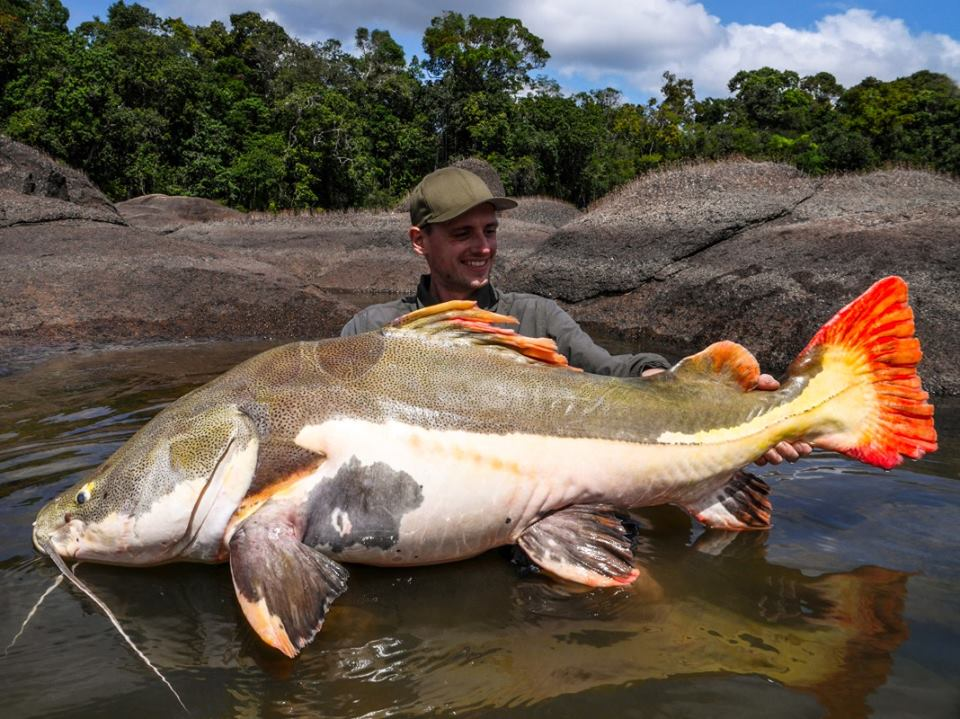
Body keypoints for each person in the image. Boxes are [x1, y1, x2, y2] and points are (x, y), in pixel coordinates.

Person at [341, 167, 810, 465]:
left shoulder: (536, 316)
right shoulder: (371, 331)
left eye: (489, 230)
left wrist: (694, 391)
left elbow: (608, 371)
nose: (483, 247)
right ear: (420, 240)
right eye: (463, 234)